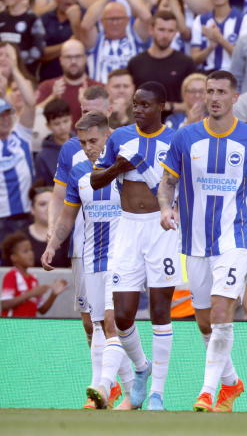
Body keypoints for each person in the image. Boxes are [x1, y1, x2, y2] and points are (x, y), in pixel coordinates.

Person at [157, 70, 247, 412]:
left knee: (220, 312)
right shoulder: (184, 138)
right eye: (208, 91)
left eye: (220, 92)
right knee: (205, 321)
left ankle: (207, 391)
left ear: (235, 98)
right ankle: (231, 383)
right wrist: (164, 208)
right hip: (195, 244)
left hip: (236, 239)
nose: (213, 97)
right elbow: (167, 182)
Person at [84, 83, 179, 411]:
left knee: (159, 310)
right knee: (122, 316)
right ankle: (141, 367)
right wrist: (117, 169)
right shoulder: (121, 138)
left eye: (145, 105)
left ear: (161, 106)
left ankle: (157, 394)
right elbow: (95, 180)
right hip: (127, 229)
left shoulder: (175, 139)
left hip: (161, 230)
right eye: (135, 104)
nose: (138, 109)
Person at [40, 110, 133, 408]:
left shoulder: (126, 168)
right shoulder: (79, 174)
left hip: (122, 259)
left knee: (110, 322)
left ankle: (101, 387)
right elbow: (68, 216)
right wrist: (53, 244)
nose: (88, 147)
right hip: (91, 256)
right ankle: (130, 390)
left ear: (108, 135)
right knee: (95, 325)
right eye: (82, 142)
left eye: (93, 140)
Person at [0, 50, 36, 263]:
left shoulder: (21, 134)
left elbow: (31, 103)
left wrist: (15, 69)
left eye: (7, 113)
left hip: (25, 216)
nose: (5, 119)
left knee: (27, 266)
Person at [127, 11, 198, 108]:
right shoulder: (136, 63)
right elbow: (128, 98)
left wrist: (169, 106)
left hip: (176, 121)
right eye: (161, 30)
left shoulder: (186, 63)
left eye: (170, 31)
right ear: (151, 29)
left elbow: (196, 102)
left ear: (176, 32)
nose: (165, 35)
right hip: (142, 120)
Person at [191, 0, 247, 73]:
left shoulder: (245, 20)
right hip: (207, 77)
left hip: (234, 76)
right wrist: (211, 47)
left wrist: (220, 39)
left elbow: (244, 57)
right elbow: (194, 60)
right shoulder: (200, 20)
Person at [0, 232, 67, 317]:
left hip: (29, 328)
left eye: (31, 249)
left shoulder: (33, 279)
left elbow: (42, 310)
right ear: (14, 257)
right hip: (12, 327)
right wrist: (32, 293)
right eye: (25, 251)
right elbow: (5, 304)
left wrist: (53, 294)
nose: (30, 253)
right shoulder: (11, 275)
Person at [34, 99, 72, 186]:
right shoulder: (42, 157)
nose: (62, 127)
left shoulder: (84, 144)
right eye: (56, 124)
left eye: (65, 121)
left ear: (71, 119)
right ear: (48, 126)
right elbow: (42, 189)